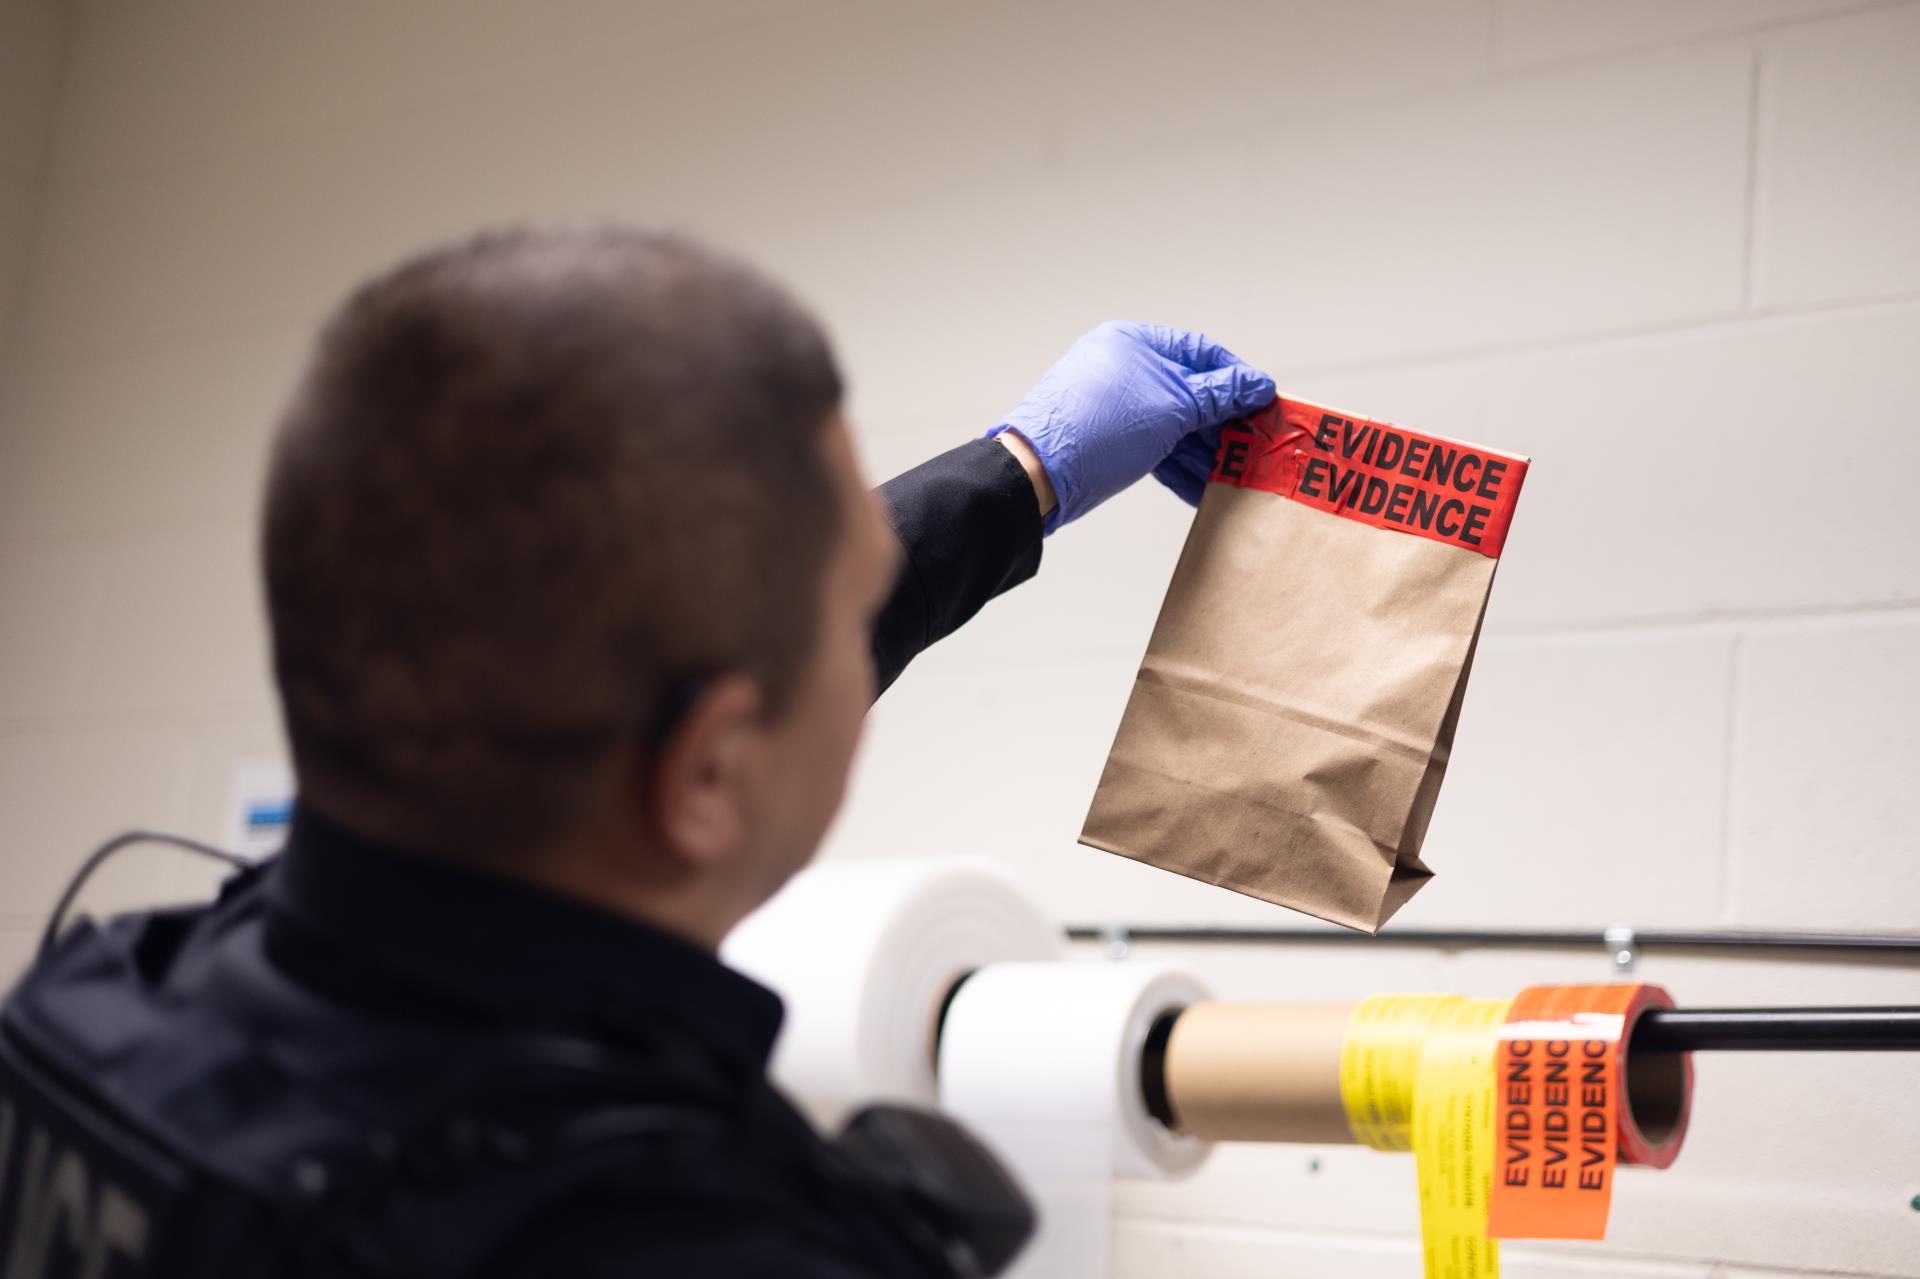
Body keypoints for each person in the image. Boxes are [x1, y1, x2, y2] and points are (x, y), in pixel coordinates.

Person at [0, 227, 1275, 1277]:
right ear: (709, 772)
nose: (861, 628)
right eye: (849, 602)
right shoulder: (704, 1238)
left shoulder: (90, 1015)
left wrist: (1021, 472)